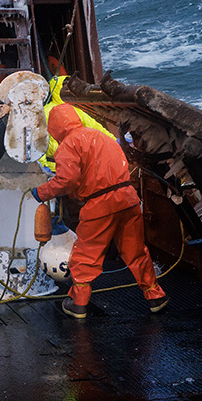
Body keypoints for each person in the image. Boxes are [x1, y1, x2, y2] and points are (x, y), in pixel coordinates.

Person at [31, 103, 168, 319]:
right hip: (128, 198)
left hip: (100, 204)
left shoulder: (69, 144)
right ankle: (155, 296)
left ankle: (78, 304)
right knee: (135, 251)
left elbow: (67, 180)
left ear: (55, 127)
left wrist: (42, 192)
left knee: (86, 255)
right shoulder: (102, 137)